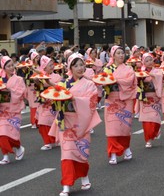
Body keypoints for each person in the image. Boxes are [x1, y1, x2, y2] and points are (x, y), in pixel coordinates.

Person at [49, 53, 101, 196]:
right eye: (76, 65)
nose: (80, 68)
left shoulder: (90, 84)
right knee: (67, 154)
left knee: (81, 153)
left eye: (82, 64)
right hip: (66, 122)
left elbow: (91, 103)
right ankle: (66, 184)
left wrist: (72, 98)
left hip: (82, 122)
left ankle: (84, 176)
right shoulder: (62, 83)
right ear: (70, 67)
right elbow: (55, 101)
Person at [104, 46, 137, 164]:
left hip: (126, 99)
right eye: (118, 53)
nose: (121, 55)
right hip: (112, 100)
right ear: (113, 55)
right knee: (112, 128)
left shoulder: (129, 68)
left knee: (125, 127)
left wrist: (116, 80)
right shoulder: (108, 69)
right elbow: (104, 81)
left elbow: (130, 81)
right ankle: (113, 153)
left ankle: (126, 147)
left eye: (122, 53)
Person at [0, 56, 26, 164]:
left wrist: (8, 90)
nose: (11, 68)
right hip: (3, 111)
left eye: (12, 65)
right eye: (8, 66)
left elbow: (21, 93)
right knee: (2, 134)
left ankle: (19, 147)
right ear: (3, 68)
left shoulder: (19, 79)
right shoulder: (1, 80)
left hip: (15, 111)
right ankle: (5, 155)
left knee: (12, 135)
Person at [35, 55, 62, 150]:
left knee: (56, 123)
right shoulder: (39, 76)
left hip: (54, 102)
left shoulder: (57, 76)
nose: (52, 66)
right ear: (44, 67)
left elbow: (59, 88)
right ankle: (48, 142)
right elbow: (37, 89)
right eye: (49, 65)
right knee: (43, 123)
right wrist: (37, 82)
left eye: (52, 64)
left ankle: (56, 139)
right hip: (44, 104)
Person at [136, 53, 163, 148]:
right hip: (145, 98)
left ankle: (156, 131)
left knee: (155, 119)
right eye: (146, 61)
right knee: (146, 121)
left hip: (154, 97)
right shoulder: (141, 72)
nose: (149, 62)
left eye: (150, 60)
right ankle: (148, 140)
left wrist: (151, 74)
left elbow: (159, 78)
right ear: (143, 62)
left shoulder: (158, 71)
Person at [28, 52, 41, 129]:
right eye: (36, 57)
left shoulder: (41, 67)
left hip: (39, 87)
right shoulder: (29, 67)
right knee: (33, 105)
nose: (38, 59)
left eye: (39, 57)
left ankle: (39, 121)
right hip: (31, 88)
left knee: (39, 104)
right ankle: (34, 122)